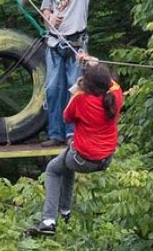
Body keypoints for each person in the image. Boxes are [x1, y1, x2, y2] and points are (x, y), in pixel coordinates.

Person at [31, 58, 122, 236]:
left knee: (52, 169)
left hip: (82, 159)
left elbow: (66, 117)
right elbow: (107, 82)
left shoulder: (81, 99)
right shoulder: (115, 96)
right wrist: (92, 63)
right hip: (106, 158)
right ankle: (65, 212)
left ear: (87, 84)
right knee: (65, 165)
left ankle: (48, 220)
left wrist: (78, 88)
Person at [40, 0, 97, 143]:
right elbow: (45, 9)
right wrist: (50, 18)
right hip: (55, 43)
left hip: (76, 43)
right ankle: (55, 134)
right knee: (53, 89)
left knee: (75, 89)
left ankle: (73, 133)